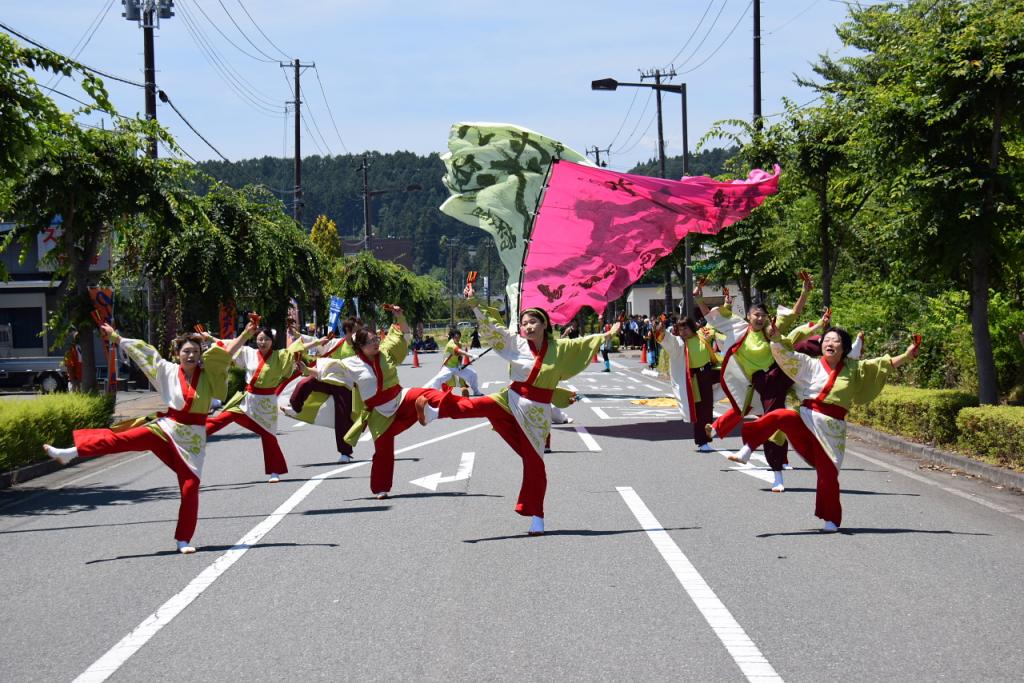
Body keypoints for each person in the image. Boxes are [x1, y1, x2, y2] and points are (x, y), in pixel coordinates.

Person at [416, 298, 620, 536]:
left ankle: (537, 516)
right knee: (480, 404)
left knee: (534, 465)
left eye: (533, 322)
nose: (529, 327)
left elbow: (585, 343)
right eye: (525, 323)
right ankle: (435, 412)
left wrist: (607, 334)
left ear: (545, 324)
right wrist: (473, 305)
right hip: (511, 396)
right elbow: (494, 330)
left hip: (536, 411)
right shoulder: (517, 344)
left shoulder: (561, 348)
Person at [43, 323, 246, 554]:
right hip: (167, 427)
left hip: (192, 440)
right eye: (186, 351)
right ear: (177, 354)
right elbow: (143, 353)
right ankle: (72, 452)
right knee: (123, 439)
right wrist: (117, 338)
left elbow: (225, 353)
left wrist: (247, 333)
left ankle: (183, 539)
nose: (190, 355)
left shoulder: (208, 374)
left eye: (195, 352)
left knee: (190, 487)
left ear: (201, 356)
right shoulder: (168, 370)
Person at [732, 323, 921, 532]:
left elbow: (883, 365)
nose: (830, 344)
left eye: (836, 341)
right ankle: (748, 448)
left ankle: (830, 519)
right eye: (827, 340)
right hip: (806, 419)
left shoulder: (855, 368)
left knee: (828, 475)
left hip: (831, 429)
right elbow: (787, 356)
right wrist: (776, 338)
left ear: (845, 347)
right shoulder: (809, 364)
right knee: (781, 415)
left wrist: (907, 354)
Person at [299, 305, 449, 499]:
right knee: (379, 447)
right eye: (371, 340)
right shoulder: (344, 353)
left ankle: (461, 408)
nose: (376, 342)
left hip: (397, 396)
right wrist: (307, 370)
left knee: (430, 395)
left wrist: (400, 316)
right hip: (371, 405)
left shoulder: (383, 349)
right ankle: (379, 486)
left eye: (376, 339)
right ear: (358, 342)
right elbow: (329, 369)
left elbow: (402, 334)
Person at [699, 274, 818, 492]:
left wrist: (805, 291)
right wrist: (698, 298)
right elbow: (711, 317)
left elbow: (794, 313)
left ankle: (845, 354)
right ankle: (775, 471)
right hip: (761, 382)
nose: (760, 318)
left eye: (763, 315)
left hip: (778, 374)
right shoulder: (738, 330)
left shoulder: (771, 329)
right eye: (756, 314)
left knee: (806, 346)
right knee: (773, 421)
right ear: (748, 315)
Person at [203, 321, 298, 482]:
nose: (262, 342)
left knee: (268, 436)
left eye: (266, 339)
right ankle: (192, 434)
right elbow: (230, 346)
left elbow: (296, 352)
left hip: (266, 402)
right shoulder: (248, 353)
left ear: (272, 341)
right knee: (223, 418)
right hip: (247, 399)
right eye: (260, 339)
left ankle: (275, 471)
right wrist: (210, 338)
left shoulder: (280, 356)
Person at [281, 317, 363, 463]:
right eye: (356, 331)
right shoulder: (336, 343)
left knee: (342, 418)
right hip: (327, 379)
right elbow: (315, 342)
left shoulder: (361, 348)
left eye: (360, 331)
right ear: (348, 332)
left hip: (346, 386)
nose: (359, 334)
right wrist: (296, 334)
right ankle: (295, 407)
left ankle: (345, 453)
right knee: (305, 383)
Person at [655, 315, 723, 452]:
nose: (683, 331)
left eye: (685, 327)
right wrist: (662, 332)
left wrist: (727, 305)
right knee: (700, 411)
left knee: (709, 406)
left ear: (692, 327)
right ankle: (702, 441)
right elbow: (669, 341)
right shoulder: (680, 343)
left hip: (709, 372)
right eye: (680, 329)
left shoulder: (702, 335)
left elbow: (715, 322)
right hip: (694, 379)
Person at [425, 329, 481, 397]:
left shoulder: (459, 343)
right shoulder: (450, 344)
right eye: (456, 337)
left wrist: (460, 364)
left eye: (459, 337)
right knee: (438, 379)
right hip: (448, 367)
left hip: (457, 367)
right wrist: (472, 355)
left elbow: (460, 356)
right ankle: (432, 393)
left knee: (473, 374)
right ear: (452, 337)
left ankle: (476, 391)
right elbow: (459, 351)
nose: (457, 339)